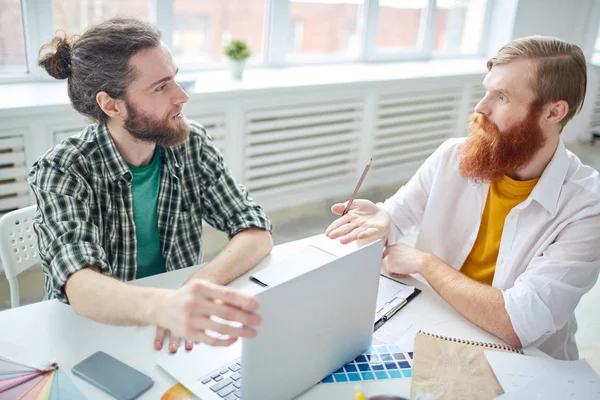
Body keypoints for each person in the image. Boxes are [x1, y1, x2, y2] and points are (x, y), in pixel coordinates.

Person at [326, 36, 600, 360]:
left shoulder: (587, 206)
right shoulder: (453, 155)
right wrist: (381, 221)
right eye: (487, 91)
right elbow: (397, 216)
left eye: (502, 97)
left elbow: (518, 323)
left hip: (526, 363)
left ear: (554, 112)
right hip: (433, 328)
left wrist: (426, 264)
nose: (481, 108)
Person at [29, 17, 273, 354]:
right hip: (89, 334)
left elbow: (256, 231)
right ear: (111, 105)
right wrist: (164, 307)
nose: (182, 96)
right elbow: (80, 286)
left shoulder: (191, 145)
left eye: (174, 78)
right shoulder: (63, 169)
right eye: (161, 87)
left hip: (174, 328)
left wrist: (192, 290)